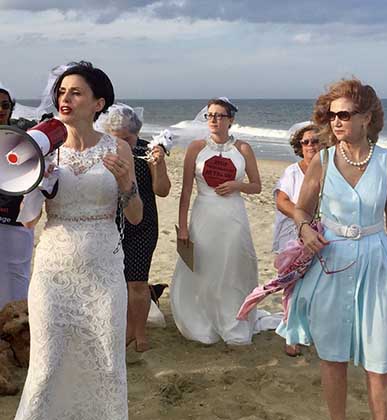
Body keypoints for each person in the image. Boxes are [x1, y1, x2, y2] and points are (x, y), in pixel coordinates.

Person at [277, 78, 387, 420]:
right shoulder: (321, 161)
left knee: (379, 359)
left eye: (345, 114)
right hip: (331, 263)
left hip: (377, 263)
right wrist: (305, 227)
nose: (336, 121)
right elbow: (301, 209)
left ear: (367, 117)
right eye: (331, 115)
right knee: (332, 355)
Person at [14, 61, 143, 420]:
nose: (65, 97)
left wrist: (127, 186)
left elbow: (135, 216)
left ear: (98, 103)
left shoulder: (119, 149)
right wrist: (37, 183)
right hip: (53, 271)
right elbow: (28, 220)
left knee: (105, 360)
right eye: (61, 91)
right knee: (46, 364)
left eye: (76, 91)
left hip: (103, 270)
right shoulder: (42, 148)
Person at [171, 97, 262, 345]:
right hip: (204, 212)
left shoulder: (243, 149)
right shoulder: (196, 148)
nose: (213, 120)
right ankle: (203, 318)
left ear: (231, 120)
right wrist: (183, 227)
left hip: (233, 214)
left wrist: (237, 185)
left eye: (219, 115)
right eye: (210, 115)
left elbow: (257, 186)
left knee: (233, 265)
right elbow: (187, 190)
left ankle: (232, 318)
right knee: (204, 267)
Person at [100, 103, 171, 352]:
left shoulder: (147, 151)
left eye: (127, 139)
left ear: (136, 133)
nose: (123, 145)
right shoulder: (103, 152)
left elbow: (162, 190)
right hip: (108, 223)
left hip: (143, 224)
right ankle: (120, 328)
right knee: (113, 281)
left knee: (137, 282)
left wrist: (159, 164)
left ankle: (139, 332)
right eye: (116, 138)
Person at [272, 122, 321, 356]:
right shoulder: (293, 171)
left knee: (317, 285)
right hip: (293, 234)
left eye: (315, 141)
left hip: (323, 234)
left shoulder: (331, 169)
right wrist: (303, 221)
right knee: (292, 284)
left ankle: (314, 330)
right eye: (306, 142)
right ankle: (292, 334)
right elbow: (282, 201)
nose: (311, 145)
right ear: (299, 147)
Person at [0, 84, 34, 310]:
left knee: (16, 285)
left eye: (5, 105)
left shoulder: (22, 139)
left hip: (15, 222)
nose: (1, 110)